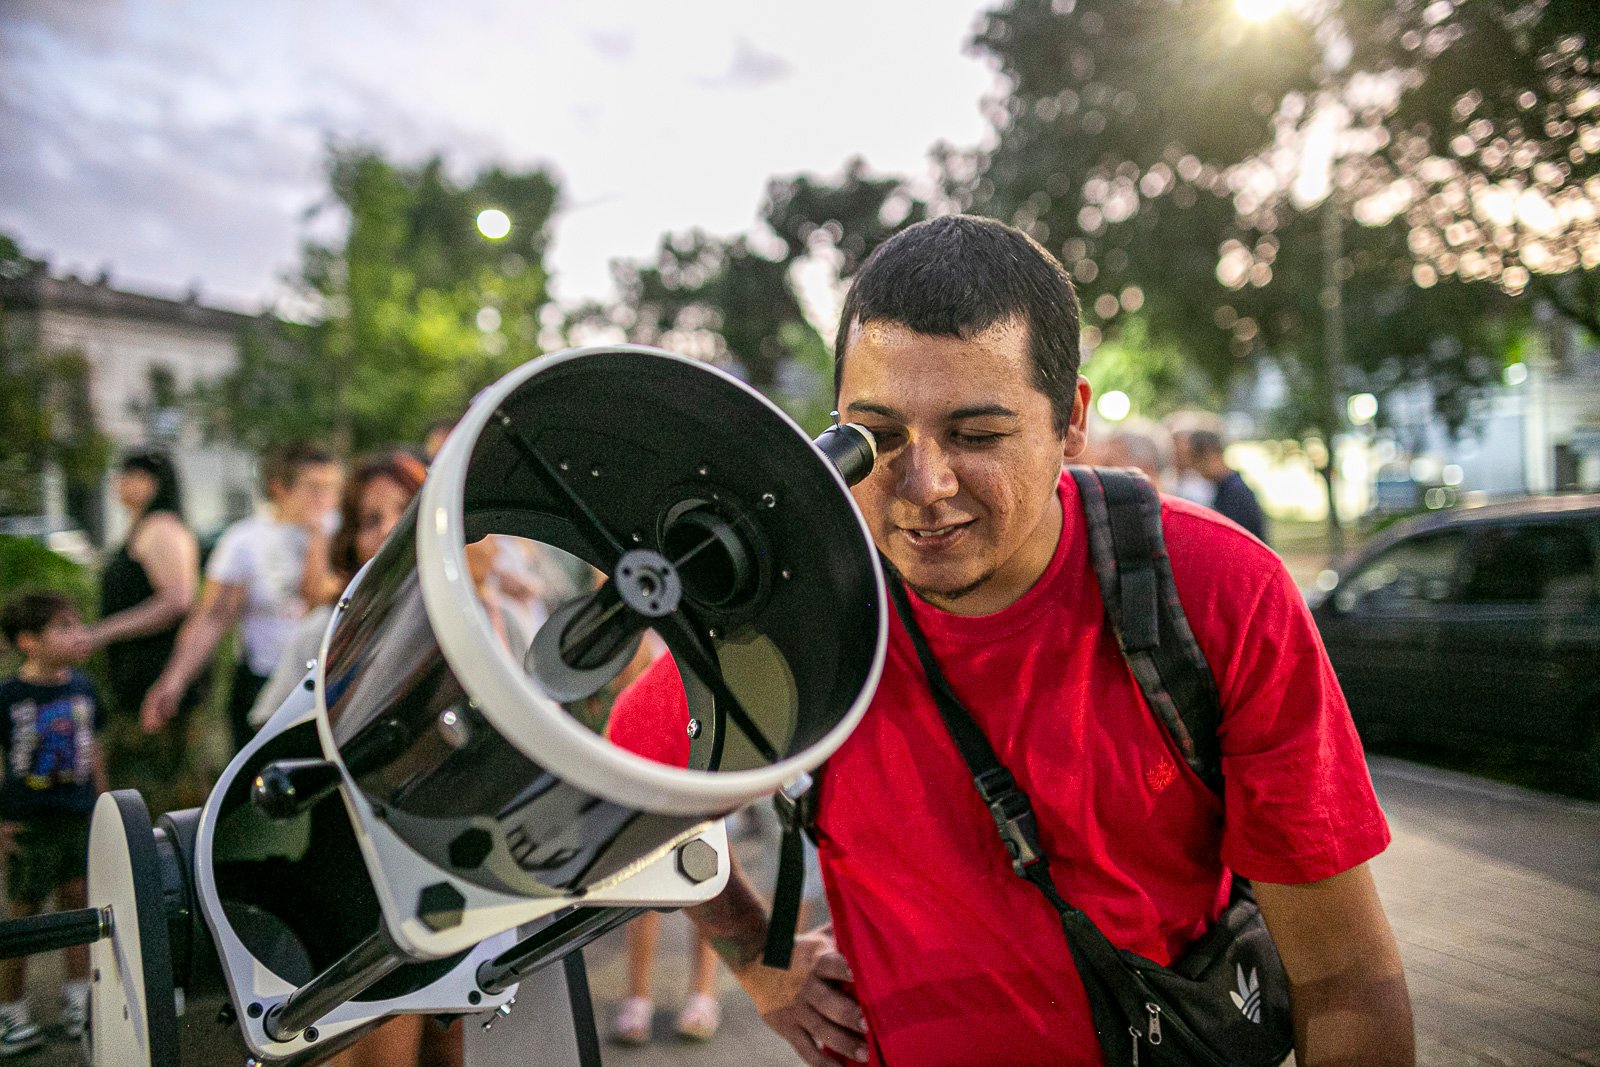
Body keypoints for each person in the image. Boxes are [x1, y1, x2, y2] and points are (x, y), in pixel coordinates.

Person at [607, 215, 1412, 1066]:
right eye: (875, 434)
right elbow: (627, 786)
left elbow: (1345, 978)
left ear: (1071, 420)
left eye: (977, 435)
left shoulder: (1218, 590)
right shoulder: (806, 612)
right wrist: (761, 961)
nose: (923, 485)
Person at [141, 443, 341, 751]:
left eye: (332, 489)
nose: (325, 500)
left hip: (332, 679)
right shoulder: (245, 540)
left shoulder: (346, 535)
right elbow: (212, 618)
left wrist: (319, 539)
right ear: (280, 488)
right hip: (267, 680)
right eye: (314, 488)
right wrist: (174, 680)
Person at [248, 450, 428, 730]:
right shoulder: (325, 629)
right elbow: (268, 725)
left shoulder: (472, 612)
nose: (390, 529)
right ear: (351, 542)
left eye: (405, 511)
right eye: (371, 520)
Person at [0, 591, 107, 1055]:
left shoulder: (83, 688)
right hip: (28, 824)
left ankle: (78, 1001)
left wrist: (105, 806)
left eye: (77, 624)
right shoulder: (9, 696)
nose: (77, 634)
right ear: (28, 640)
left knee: (78, 908)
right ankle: (9, 1012)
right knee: (22, 915)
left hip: (78, 817)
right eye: (63, 627)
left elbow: (95, 749)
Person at [84, 451, 202, 811]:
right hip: (135, 674)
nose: (122, 483)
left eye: (133, 475)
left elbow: (178, 600)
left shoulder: (161, 528)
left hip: (157, 674)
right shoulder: (141, 528)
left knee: (155, 791)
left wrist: (104, 631)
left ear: (156, 483)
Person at [1186, 428, 1271, 545]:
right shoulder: (1225, 487)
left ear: (1211, 455)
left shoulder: (1234, 492)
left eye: (1196, 460)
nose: (1194, 468)